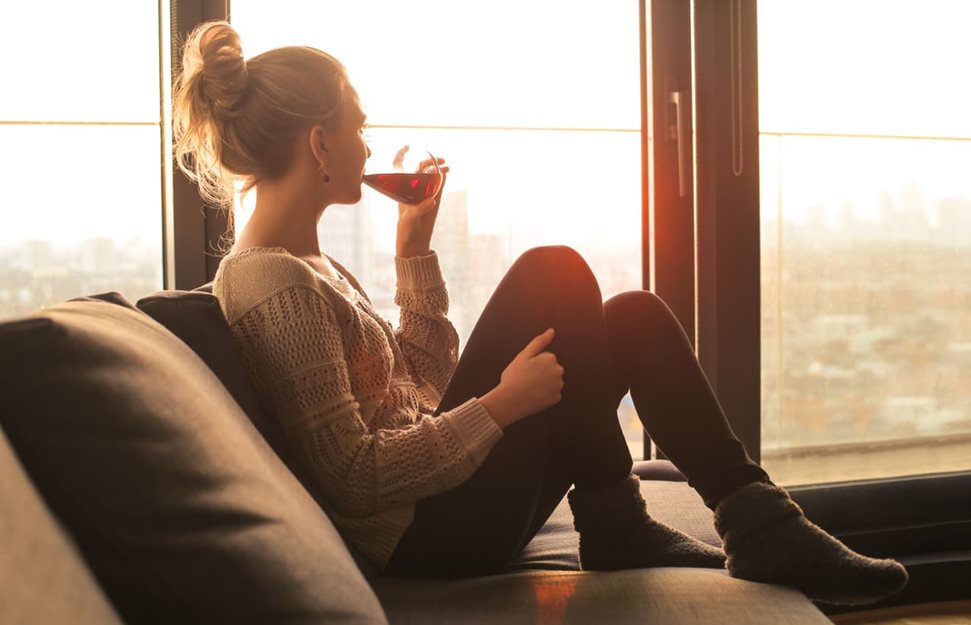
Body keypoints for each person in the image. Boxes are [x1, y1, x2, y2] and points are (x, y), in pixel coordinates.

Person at [172, 21, 907, 606]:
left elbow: (421, 390)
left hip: (442, 504)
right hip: (426, 536)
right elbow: (354, 478)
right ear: (319, 142)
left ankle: (759, 523)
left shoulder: (307, 265)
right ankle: (622, 524)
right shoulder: (274, 284)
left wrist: (413, 253)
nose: (367, 143)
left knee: (632, 316)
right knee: (552, 270)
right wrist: (499, 405)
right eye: (358, 125)